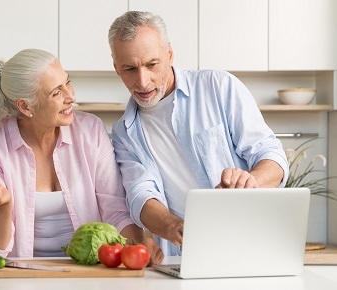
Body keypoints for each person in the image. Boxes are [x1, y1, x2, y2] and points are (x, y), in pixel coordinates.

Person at [108, 11, 289, 255]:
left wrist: (252, 181)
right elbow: (141, 195)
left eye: (152, 64)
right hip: (186, 253)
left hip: (253, 240)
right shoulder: (123, 134)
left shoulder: (218, 87)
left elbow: (271, 156)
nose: (142, 81)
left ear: (169, 54)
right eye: (130, 69)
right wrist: (174, 227)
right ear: (116, 68)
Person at [0, 48, 163, 264]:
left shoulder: (90, 131)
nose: (71, 97)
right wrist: (1, 206)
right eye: (56, 92)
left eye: (67, 82)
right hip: (22, 274)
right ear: (25, 106)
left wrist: (136, 249)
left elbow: (115, 211)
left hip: (88, 270)